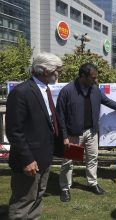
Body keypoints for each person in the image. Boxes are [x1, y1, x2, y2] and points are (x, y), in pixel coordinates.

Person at [56, 63, 116, 202]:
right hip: (73, 134)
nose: (96, 80)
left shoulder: (95, 90)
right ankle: (65, 188)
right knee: (67, 162)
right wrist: (64, 136)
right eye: (93, 77)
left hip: (92, 132)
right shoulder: (67, 91)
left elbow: (108, 102)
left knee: (92, 159)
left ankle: (92, 184)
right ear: (82, 76)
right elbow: (60, 115)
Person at [5, 52, 63, 219]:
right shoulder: (21, 92)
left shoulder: (45, 90)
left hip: (44, 157)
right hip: (29, 161)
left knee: (37, 196)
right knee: (24, 200)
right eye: (56, 70)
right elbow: (14, 131)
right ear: (45, 70)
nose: (58, 73)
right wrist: (27, 159)